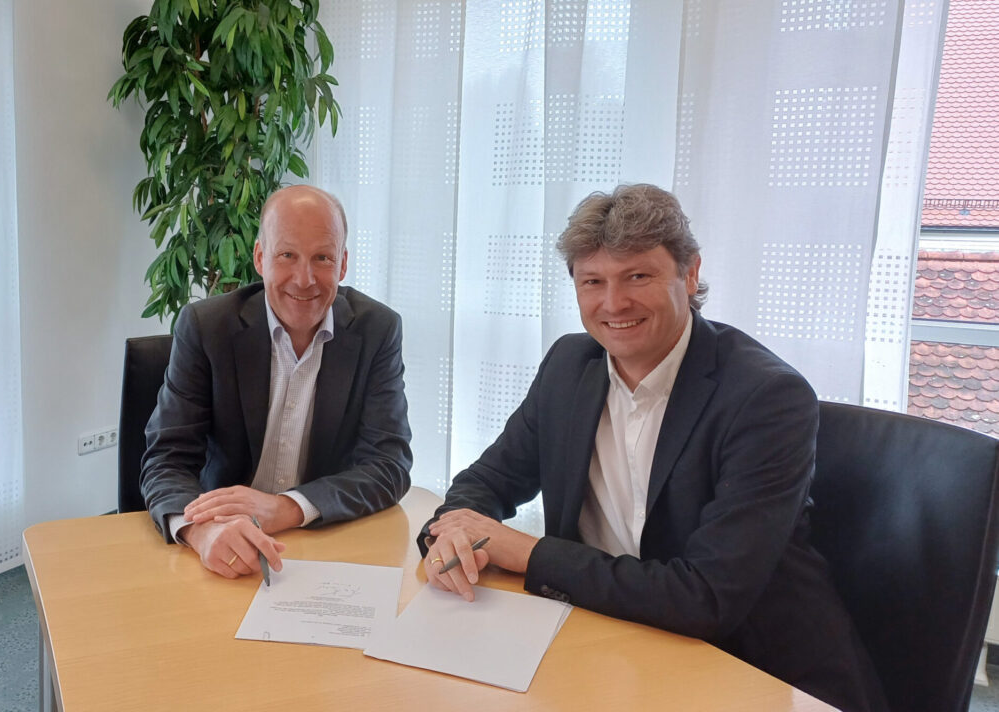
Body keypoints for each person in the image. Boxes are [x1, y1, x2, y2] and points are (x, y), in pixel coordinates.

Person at [419, 184, 887, 712]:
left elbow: (706, 598)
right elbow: (488, 481)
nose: (614, 303)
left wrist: (526, 552)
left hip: (752, 669)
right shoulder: (570, 365)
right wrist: (454, 535)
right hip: (613, 642)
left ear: (689, 274)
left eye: (637, 276)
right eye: (592, 281)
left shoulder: (766, 397)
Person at [142, 185, 412, 580]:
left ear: (342, 265)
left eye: (322, 258)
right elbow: (167, 459)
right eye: (287, 255)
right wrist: (201, 532)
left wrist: (286, 508)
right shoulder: (207, 327)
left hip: (321, 544)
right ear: (260, 258)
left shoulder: (377, 330)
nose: (304, 280)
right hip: (221, 543)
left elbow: (389, 465)